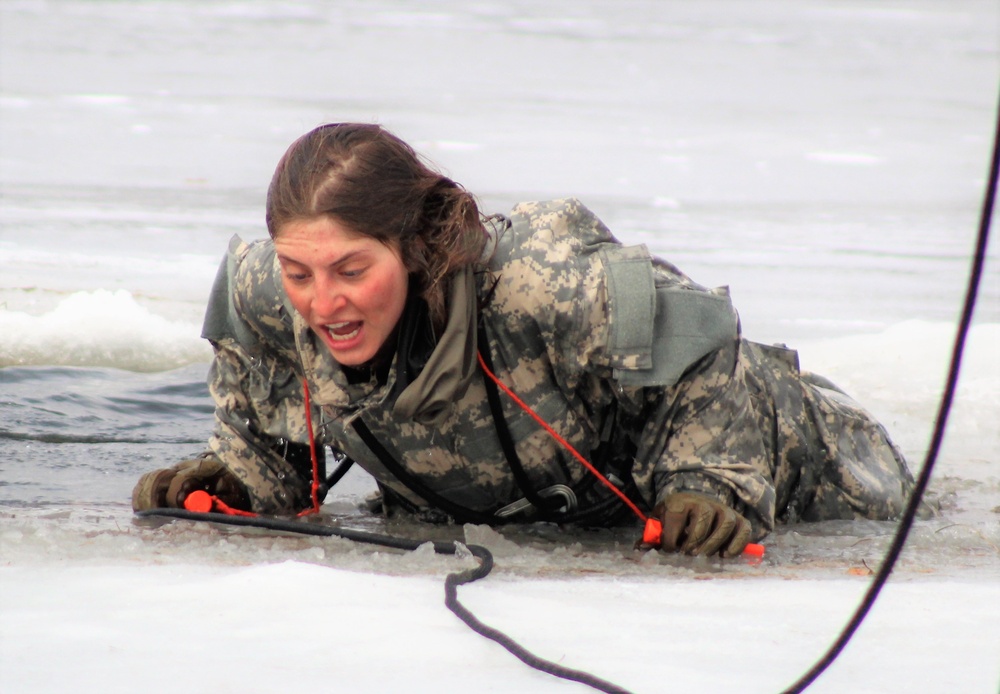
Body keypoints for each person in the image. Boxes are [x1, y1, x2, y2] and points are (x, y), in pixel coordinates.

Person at [132, 122, 916, 558]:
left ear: (409, 245)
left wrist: (708, 488)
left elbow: (708, 339)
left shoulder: (545, 284)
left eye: (350, 269)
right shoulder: (269, 298)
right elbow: (272, 450)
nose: (323, 302)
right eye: (300, 272)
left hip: (818, 457)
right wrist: (234, 479)